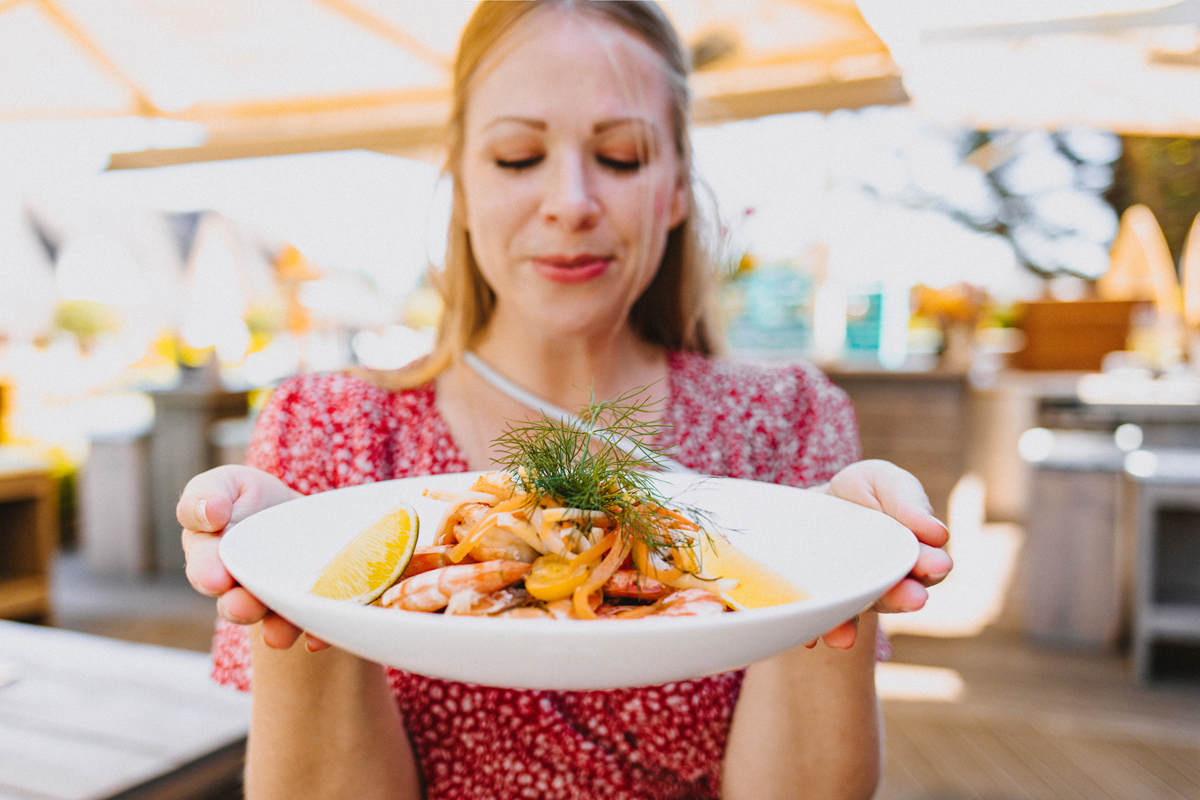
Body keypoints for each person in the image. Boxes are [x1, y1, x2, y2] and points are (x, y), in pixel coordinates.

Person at [178, 2, 952, 798]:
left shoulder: (790, 421)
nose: (572, 201)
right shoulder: (328, 431)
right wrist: (291, 577)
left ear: (679, 189)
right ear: (462, 187)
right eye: (518, 157)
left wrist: (833, 571)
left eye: (620, 156)